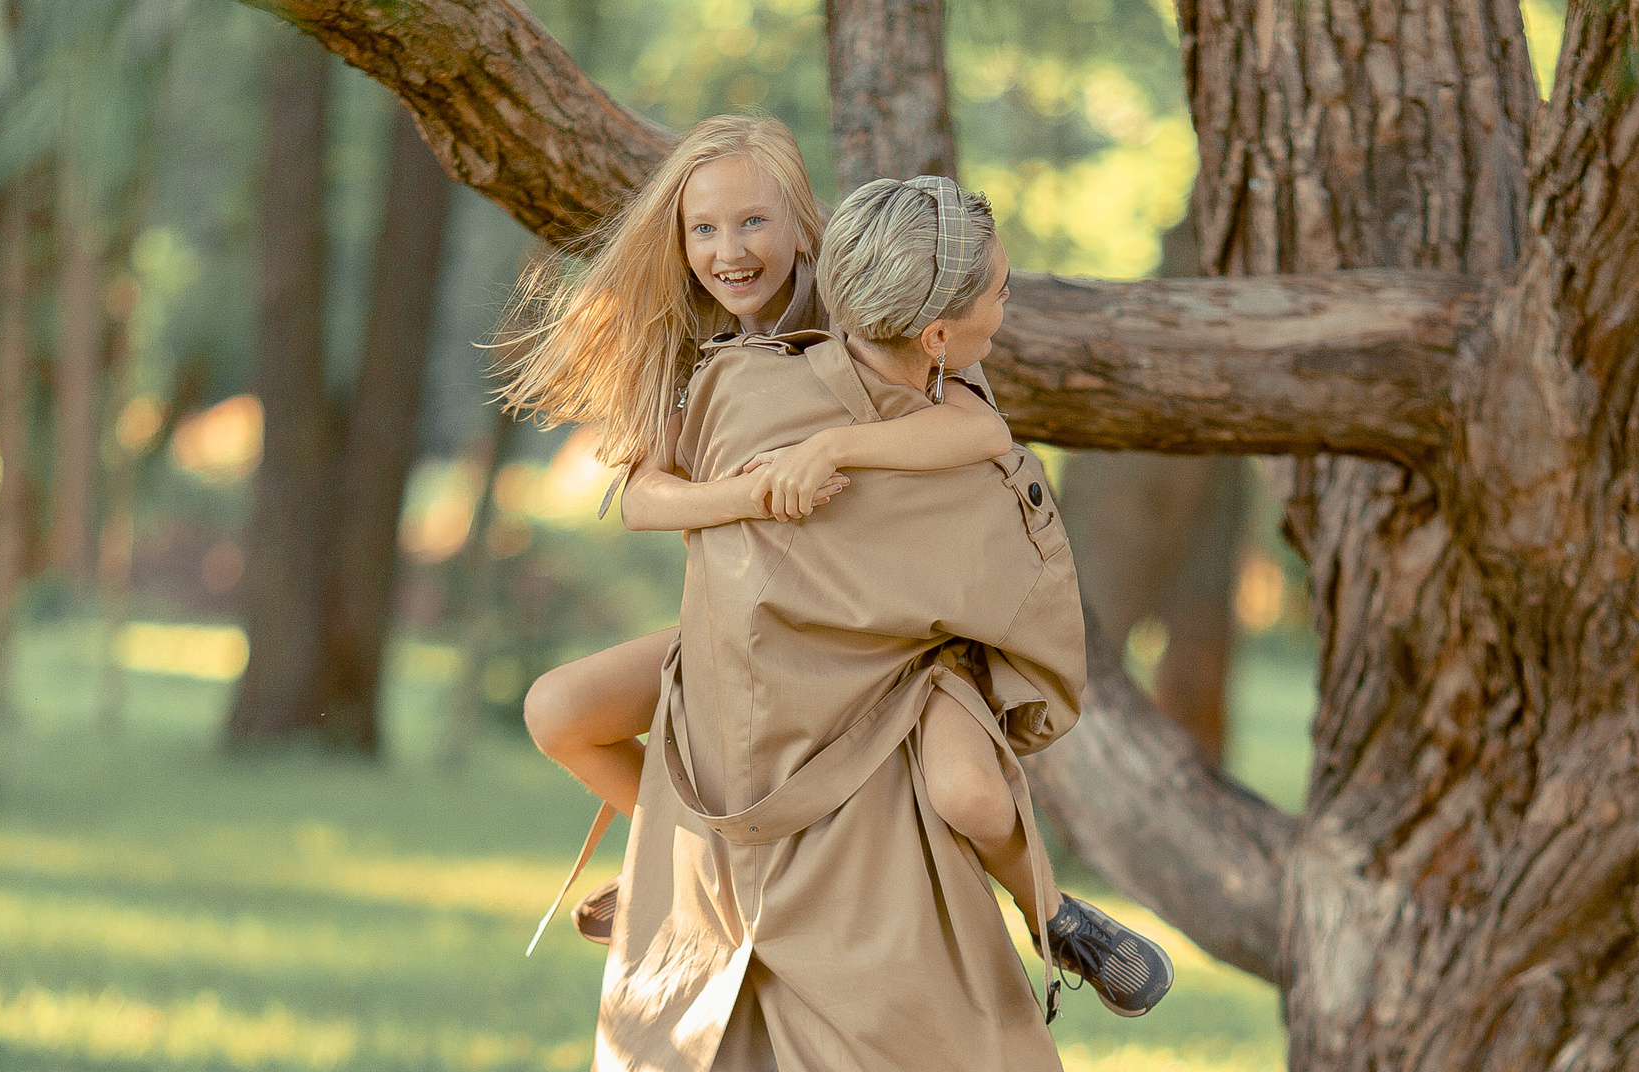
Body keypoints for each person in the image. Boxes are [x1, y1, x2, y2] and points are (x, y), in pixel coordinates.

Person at [564, 174, 1140, 1072]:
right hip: (863, 866)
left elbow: (694, 586)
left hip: (727, 857)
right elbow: (998, 726)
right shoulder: (953, 466)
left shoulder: (740, 394)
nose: (1006, 305)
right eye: (995, 291)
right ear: (941, 326)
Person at [496, 115, 1169, 1015]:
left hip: (889, 640)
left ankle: (1056, 915)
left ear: (800, 222)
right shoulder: (688, 342)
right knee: (559, 710)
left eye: (753, 223)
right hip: (763, 638)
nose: (729, 251)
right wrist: (749, 493)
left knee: (971, 794)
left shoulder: (863, 304)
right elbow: (646, 498)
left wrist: (836, 447)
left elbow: (979, 429)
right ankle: (681, 863)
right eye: (704, 229)